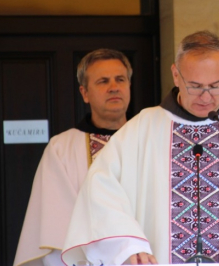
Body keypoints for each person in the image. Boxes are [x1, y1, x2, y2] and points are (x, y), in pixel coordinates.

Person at [61, 30, 219, 265]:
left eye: (216, 85)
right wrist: (128, 245)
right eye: (195, 86)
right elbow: (102, 190)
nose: (206, 96)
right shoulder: (142, 128)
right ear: (176, 75)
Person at [14, 48, 132, 266]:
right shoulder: (62, 148)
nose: (114, 87)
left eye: (120, 79)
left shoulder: (149, 139)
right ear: (85, 93)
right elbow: (57, 219)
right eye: (103, 81)